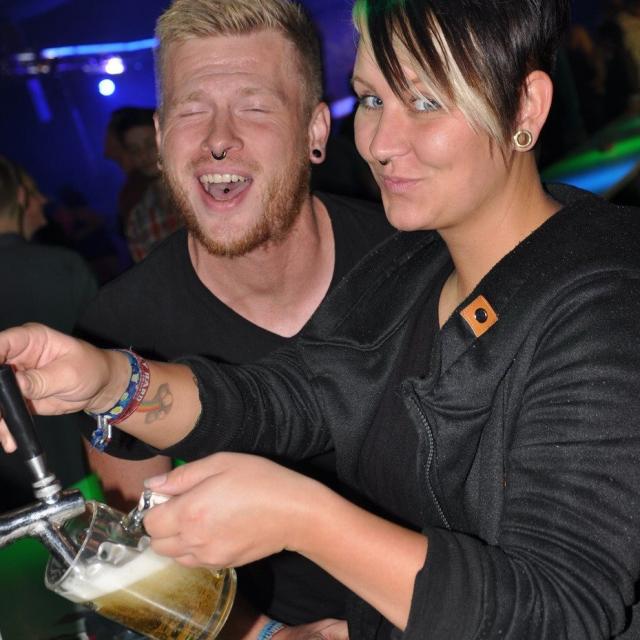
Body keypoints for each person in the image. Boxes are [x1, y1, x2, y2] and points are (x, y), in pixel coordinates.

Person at [2, 1, 640, 638]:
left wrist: (305, 519)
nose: (380, 144)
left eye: (424, 102)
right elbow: (275, 400)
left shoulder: (603, 299)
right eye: (371, 100)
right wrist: (106, 381)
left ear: (525, 107)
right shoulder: (409, 269)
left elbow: (560, 611)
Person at [75, 0, 392, 636]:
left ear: (315, 130)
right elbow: (132, 554)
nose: (218, 138)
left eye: (255, 107)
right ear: (161, 138)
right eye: (192, 110)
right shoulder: (118, 328)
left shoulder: (409, 261)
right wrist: (263, 634)